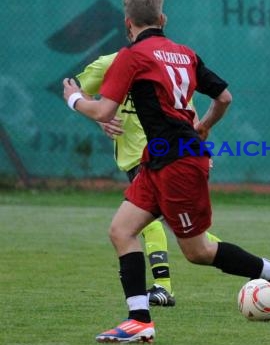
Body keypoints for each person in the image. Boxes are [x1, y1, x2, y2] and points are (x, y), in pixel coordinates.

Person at [62, 0, 270, 343]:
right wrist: (202, 126)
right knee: (121, 231)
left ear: (128, 23)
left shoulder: (133, 55)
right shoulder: (184, 53)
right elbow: (224, 97)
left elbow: (102, 110)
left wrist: (73, 98)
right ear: (163, 18)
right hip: (159, 159)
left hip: (178, 162)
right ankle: (139, 320)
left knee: (198, 251)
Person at [76, 52, 221, 307]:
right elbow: (83, 92)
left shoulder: (164, 63)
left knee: (147, 222)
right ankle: (265, 271)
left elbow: (186, 107)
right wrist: (101, 121)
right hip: (139, 155)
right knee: (192, 238)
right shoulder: (110, 63)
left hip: (158, 154)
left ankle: (163, 287)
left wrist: (197, 145)